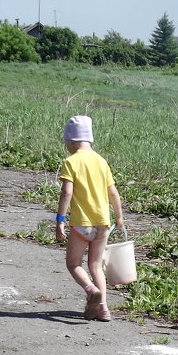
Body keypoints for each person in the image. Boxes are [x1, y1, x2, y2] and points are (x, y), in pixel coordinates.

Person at [54, 115, 124, 322]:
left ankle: (90, 289)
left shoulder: (71, 162)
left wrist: (60, 219)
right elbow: (113, 193)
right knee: (95, 266)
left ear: (72, 141)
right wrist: (119, 217)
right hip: (102, 223)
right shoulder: (101, 161)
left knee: (74, 264)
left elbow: (67, 193)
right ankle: (103, 309)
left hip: (81, 224)